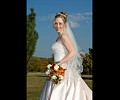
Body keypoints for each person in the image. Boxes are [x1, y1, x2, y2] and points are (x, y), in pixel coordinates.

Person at [39, 11, 92, 100]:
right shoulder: (58, 37)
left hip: (62, 69)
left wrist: (59, 63)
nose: (58, 26)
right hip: (56, 68)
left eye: (60, 23)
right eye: (56, 23)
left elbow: (72, 52)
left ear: (65, 24)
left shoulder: (64, 36)